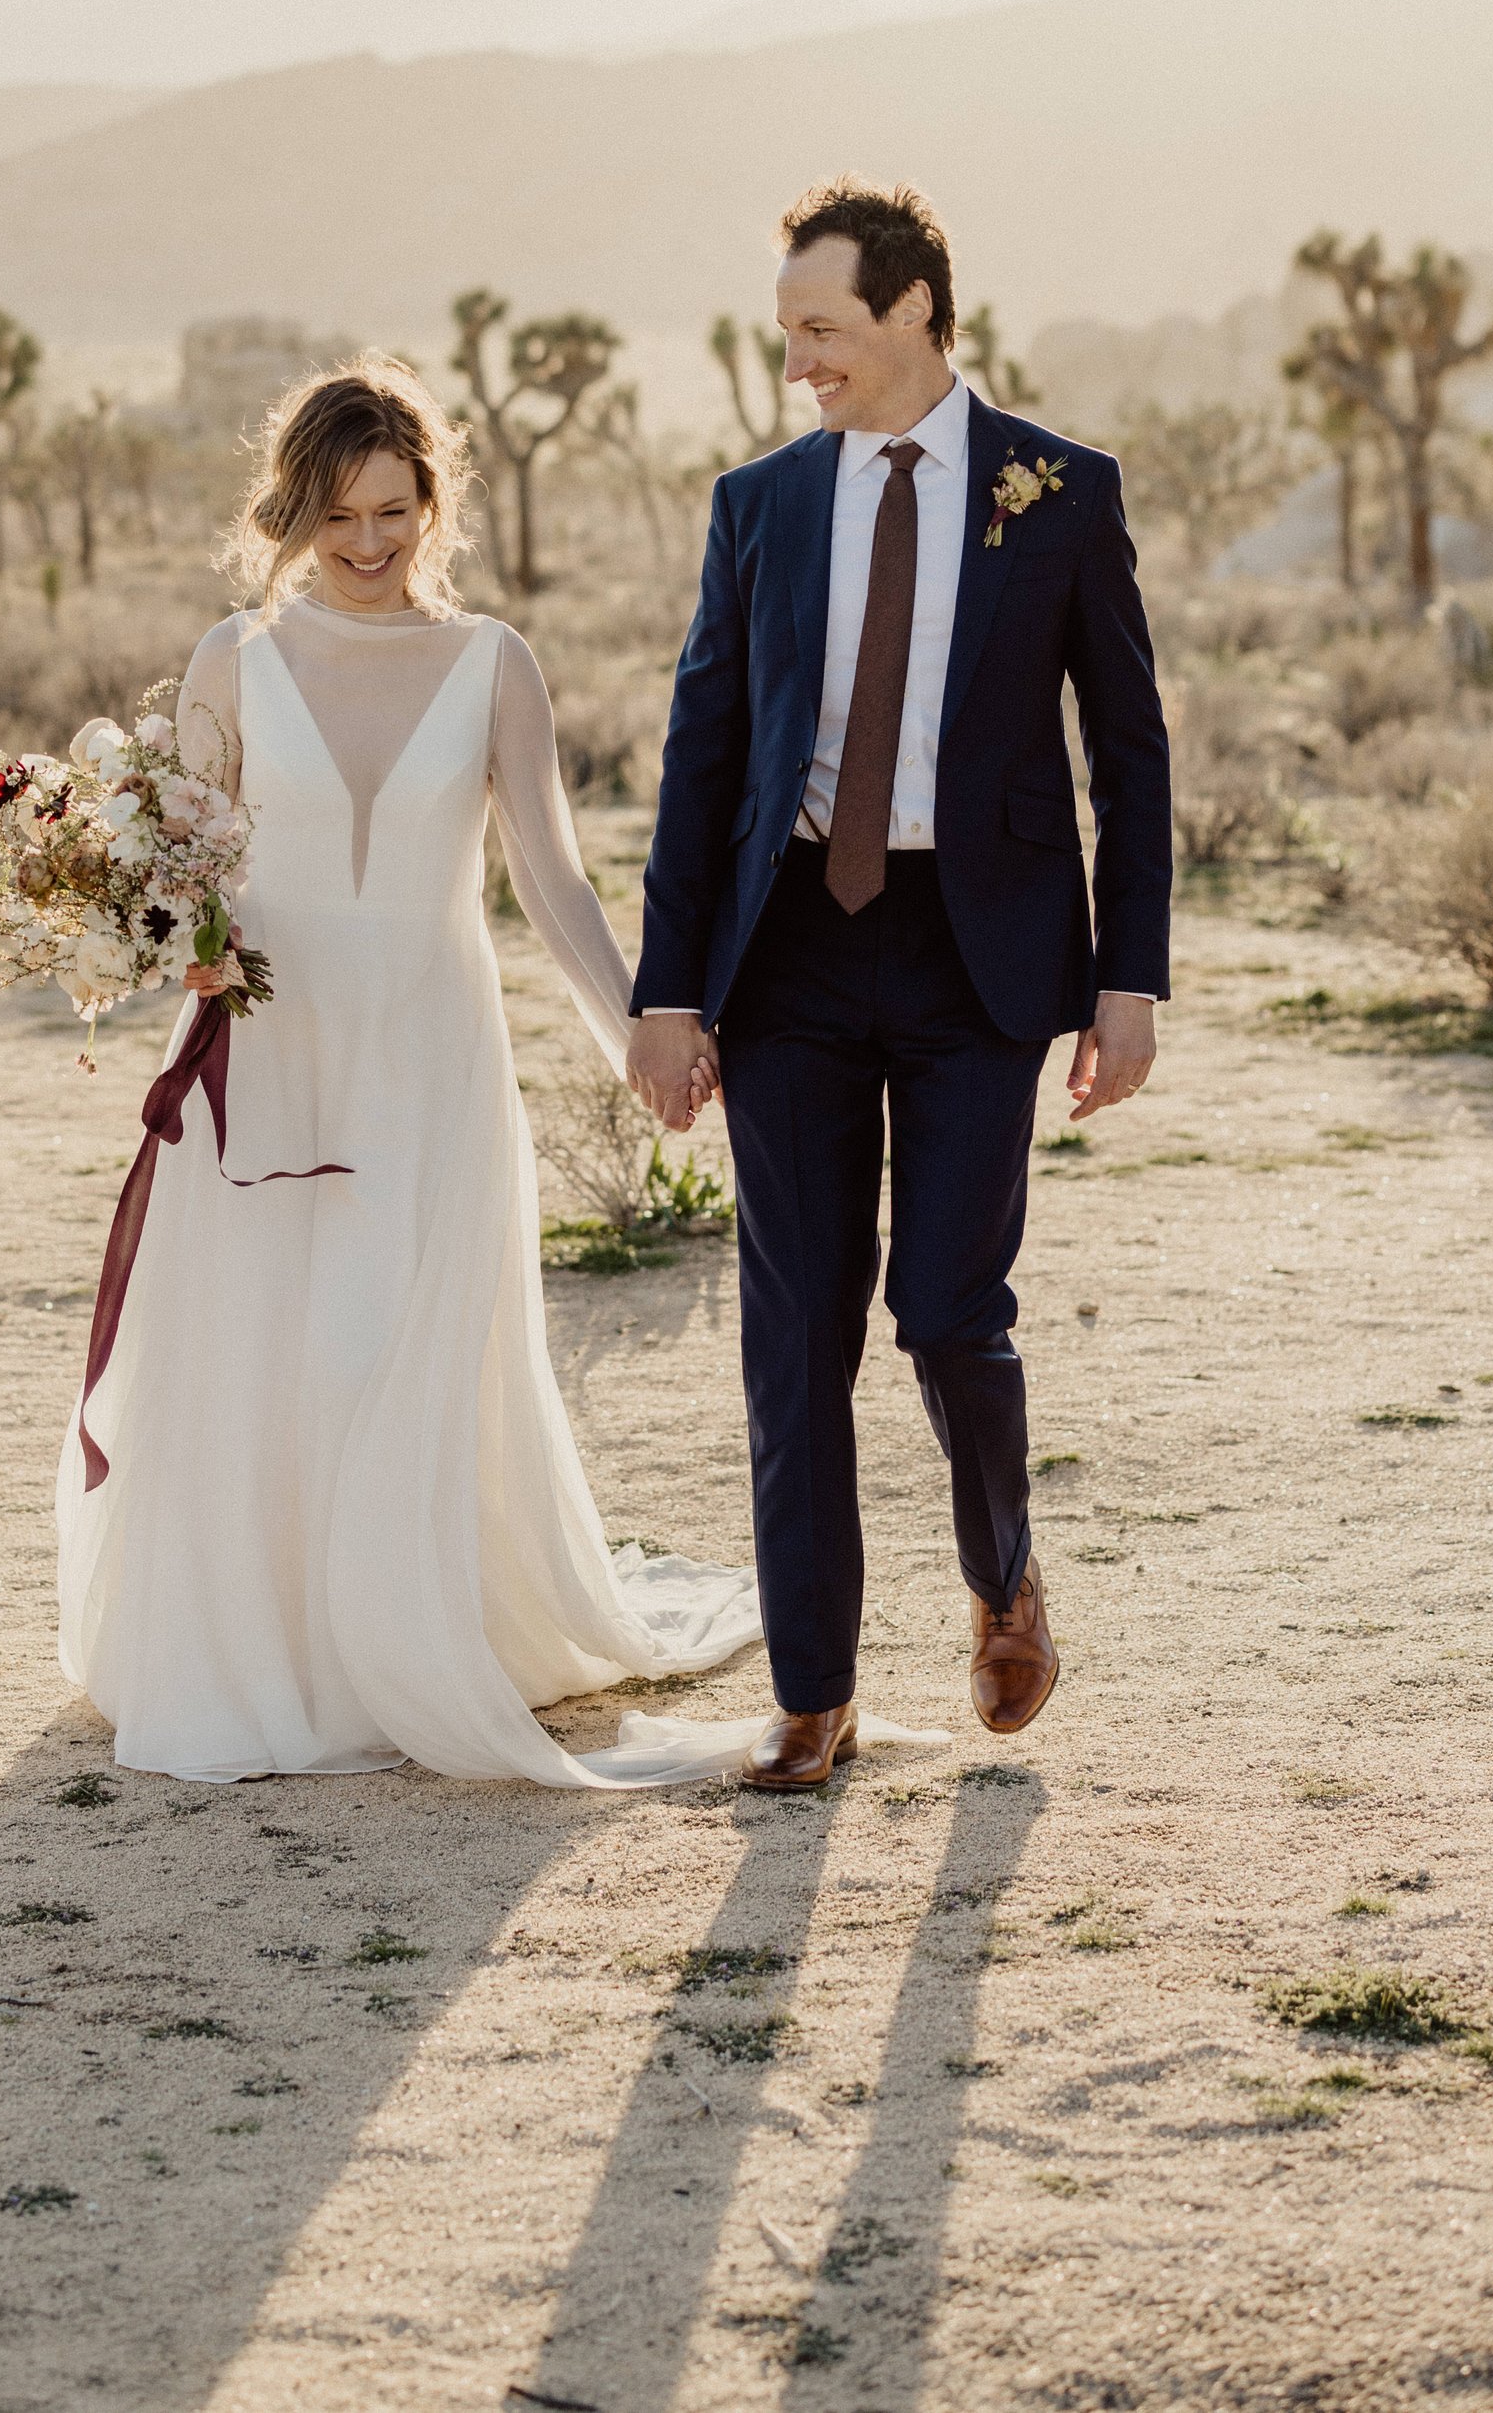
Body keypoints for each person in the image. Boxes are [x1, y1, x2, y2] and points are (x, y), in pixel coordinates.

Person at [56, 358, 758, 1787]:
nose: (368, 543)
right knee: (270, 1339)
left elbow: (552, 881)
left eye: (393, 508)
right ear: (293, 514)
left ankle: (406, 1632)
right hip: (273, 1047)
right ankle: (281, 1648)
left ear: (434, 500)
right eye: (338, 514)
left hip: (434, 1049)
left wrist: (641, 1030)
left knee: (398, 1341)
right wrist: (171, 943)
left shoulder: (493, 661)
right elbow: (187, 874)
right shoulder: (231, 662)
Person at [627, 179, 1172, 1788]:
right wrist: (672, 990)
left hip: (977, 956)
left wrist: (1126, 979)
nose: (801, 362)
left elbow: (1127, 756)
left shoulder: (1058, 492)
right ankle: (815, 1691)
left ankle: (1005, 1578)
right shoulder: (763, 504)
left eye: (826, 331)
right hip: (788, 946)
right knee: (795, 1331)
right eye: (787, 332)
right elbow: (703, 755)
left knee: (947, 1310)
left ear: (918, 310)